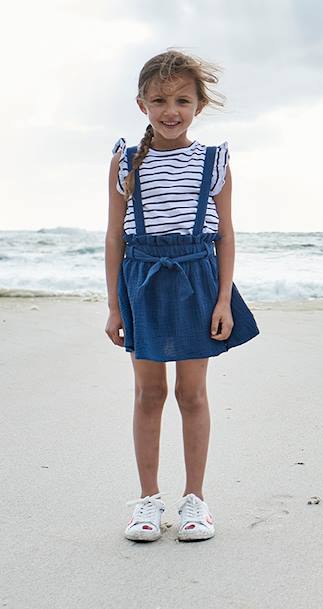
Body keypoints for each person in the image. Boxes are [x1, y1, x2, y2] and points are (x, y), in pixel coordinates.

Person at [104, 49, 260, 543]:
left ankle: (195, 500)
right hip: (142, 279)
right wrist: (113, 305)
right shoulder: (125, 161)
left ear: (198, 105)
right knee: (149, 393)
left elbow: (226, 236)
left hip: (198, 280)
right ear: (141, 104)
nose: (170, 110)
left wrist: (221, 301)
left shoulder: (214, 161)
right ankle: (148, 501)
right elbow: (114, 238)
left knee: (191, 394)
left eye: (182, 100)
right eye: (159, 100)